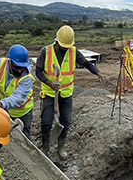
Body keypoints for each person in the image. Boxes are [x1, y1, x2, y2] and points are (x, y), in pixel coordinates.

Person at [36, 25, 106, 158]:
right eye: (63, 46)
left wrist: (98, 73)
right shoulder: (45, 51)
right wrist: (49, 83)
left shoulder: (74, 51)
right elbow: (38, 72)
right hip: (49, 94)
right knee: (46, 120)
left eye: (68, 46)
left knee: (65, 121)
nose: (66, 48)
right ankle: (45, 148)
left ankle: (61, 147)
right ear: (56, 41)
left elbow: (87, 64)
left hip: (66, 93)